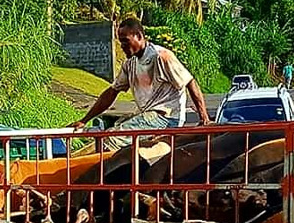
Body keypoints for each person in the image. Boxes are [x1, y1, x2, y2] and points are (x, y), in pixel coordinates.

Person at [70, 17, 211, 150]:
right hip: (147, 115)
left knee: (112, 139)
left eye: (125, 41)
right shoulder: (129, 64)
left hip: (167, 118)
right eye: (121, 42)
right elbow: (112, 92)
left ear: (139, 36)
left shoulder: (161, 57)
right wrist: (85, 120)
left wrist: (204, 118)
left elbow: (190, 81)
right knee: (113, 128)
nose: (123, 46)